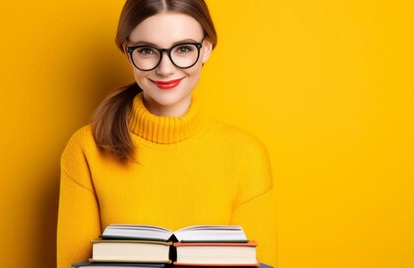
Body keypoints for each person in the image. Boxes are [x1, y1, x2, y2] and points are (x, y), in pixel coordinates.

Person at [57, 0, 277, 267]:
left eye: (183, 49)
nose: (165, 68)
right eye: (147, 50)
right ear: (128, 51)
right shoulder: (86, 149)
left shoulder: (246, 155)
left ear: (206, 48)